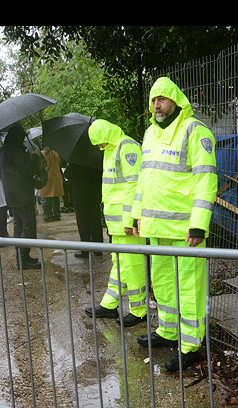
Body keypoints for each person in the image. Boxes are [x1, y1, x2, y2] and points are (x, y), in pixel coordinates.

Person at [131, 77, 218, 372]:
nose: (157, 104)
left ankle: (191, 345)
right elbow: (144, 180)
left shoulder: (195, 131)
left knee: (190, 288)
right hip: (156, 229)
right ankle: (168, 332)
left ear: (175, 101)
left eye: (162, 99)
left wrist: (198, 225)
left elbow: (206, 180)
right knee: (164, 285)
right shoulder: (150, 135)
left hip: (185, 232)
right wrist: (135, 214)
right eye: (154, 100)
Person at [84, 119, 147, 328]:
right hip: (117, 222)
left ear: (107, 135)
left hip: (127, 222)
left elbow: (133, 184)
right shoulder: (111, 150)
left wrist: (130, 218)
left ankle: (139, 311)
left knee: (133, 265)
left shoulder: (126, 146)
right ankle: (109, 305)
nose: (99, 147)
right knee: (120, 263)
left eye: (100, 142)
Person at [0, 124, 47, 269]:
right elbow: (27, 169)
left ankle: (21, 257)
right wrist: (35, 157)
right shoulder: (16, 150)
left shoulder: (2, 151)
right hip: (22, 193)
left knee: (18, 226)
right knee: (28, 226)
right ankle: (24, 259)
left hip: (10, 194)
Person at [65, 163, 103, 258]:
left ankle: (85, 249)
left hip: (81, 196)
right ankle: (98, 248)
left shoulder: (76, 162)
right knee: (95, 219)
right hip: (95, 194)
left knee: (83, 222)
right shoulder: (95, 160)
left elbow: (67, 174)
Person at [38, 146, 64, 222]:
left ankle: (48, 215)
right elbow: (59, 164)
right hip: (56, 177)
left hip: (46, 178)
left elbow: (40, 166)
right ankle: (56, 214)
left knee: (46, 198)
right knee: (55, 197)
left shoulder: (41, 154)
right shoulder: (55, 153)